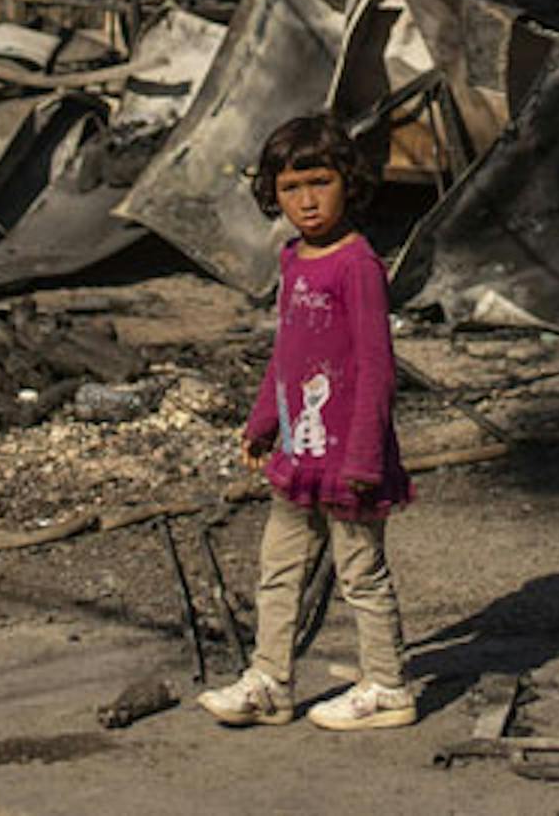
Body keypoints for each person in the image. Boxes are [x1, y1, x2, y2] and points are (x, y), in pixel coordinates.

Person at [196, 112, 415, 732]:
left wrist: (366, 459)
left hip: (350, 458)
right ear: (274, 195)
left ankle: (388, 687)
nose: (307, 201)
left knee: (360, 573)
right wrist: (261, 423)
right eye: (291, 189)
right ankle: (270, 680)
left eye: (319, 182)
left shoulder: (358, 266)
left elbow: (377, 368)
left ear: (347, 181)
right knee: (279, 569)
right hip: (298, 452)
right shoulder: (293, 260)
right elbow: (288, 353)